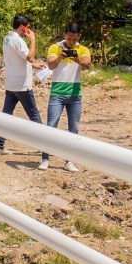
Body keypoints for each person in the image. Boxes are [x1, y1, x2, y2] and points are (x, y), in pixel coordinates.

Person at [39, 21, 92, 171]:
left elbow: (88, 64)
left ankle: (70, 161)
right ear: (65, 35)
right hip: (57, 93)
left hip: (75, 94)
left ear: (79, 36)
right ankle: (44, 158)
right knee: (51, 126)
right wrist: (59, 57)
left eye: (74, 39)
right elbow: (50, 65)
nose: (71, 42)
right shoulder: (55, 47)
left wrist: (78, 61)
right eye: (69, 38)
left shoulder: (82, 49)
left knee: (73, 129)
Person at [0, 14, 45, 158]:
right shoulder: (20, 41)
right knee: (34, 115)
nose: (29, 30)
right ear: (22, 27)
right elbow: (29, 56)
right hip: (22, 85)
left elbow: (18, 58)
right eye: (28, 27)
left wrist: (33, 66)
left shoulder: (7, 38)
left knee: (6, 116)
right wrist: (33, 39)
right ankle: (45, 145)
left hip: (11, 84)